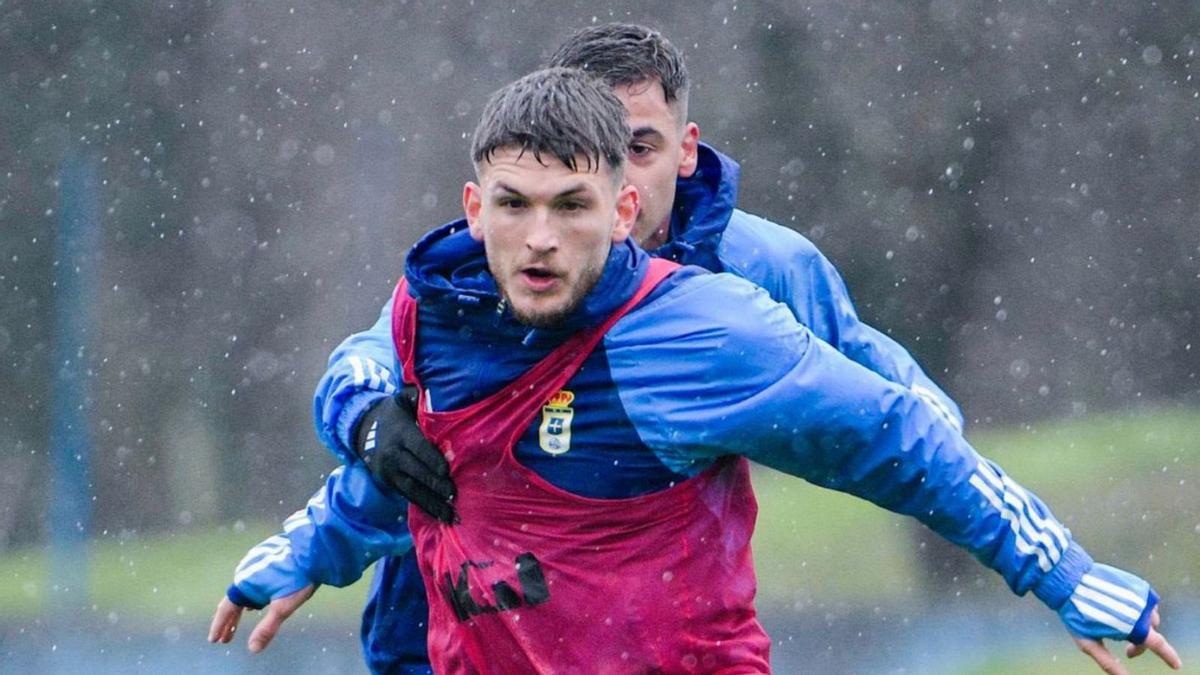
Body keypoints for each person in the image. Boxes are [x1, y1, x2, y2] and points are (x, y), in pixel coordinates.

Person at [210, 67, 1180, 675]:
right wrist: (313, 543)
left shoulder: (710, 321)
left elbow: (898, 430)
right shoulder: (439, 303)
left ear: (628, 202)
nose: (539, 238)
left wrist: (1060, 570)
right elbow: (425, 462)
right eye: (514, 205)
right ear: (473, 207)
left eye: (572, 206)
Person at [293, 24, 971, 673]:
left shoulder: (757, 268)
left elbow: (887, 399)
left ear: (687, 148)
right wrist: (366, 420)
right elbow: (363, 365)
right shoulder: (485, 267)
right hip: (435, 640)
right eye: (589, 151)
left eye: (639, 148)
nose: (621, 173)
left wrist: (975, 489)